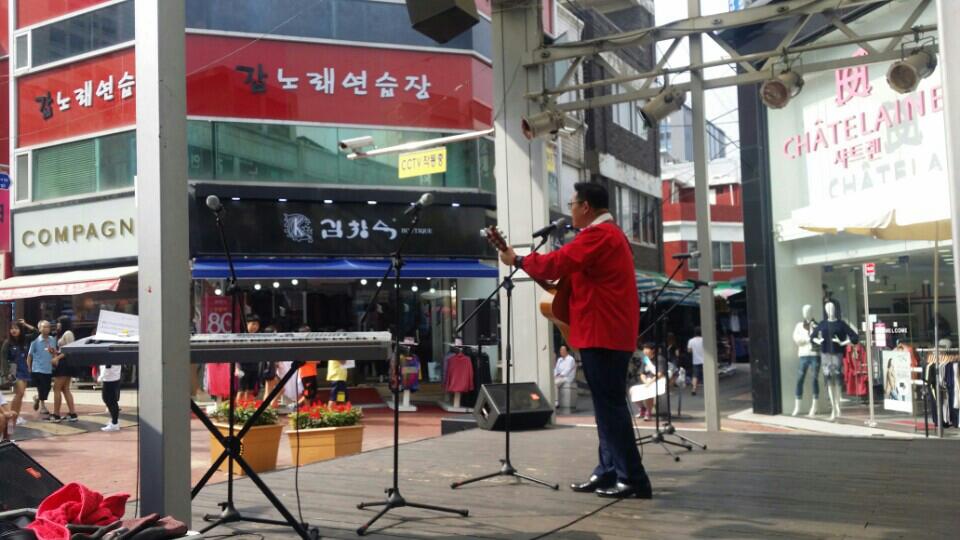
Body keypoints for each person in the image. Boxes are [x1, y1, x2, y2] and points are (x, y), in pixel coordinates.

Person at [498, 182, 651, 499]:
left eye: (572, 204)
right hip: (606, 331)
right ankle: (609, 471)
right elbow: (566, 270)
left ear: (586, 207)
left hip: (603, 332)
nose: (570, 211)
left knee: (610, 409)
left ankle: (633, 478)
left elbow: (558, 262)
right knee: (606, 408)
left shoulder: (599, 235)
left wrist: (519, 260)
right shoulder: (609, 235)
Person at [2, 320, 38, 426]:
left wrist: (25, 324)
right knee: (20, 393)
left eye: (16, 328)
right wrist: (7, 373)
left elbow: (36, 333)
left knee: (20, 395)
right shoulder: (7, 343)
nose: (13, 330)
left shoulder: (25, 339)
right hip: (14, 371)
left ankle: (16, 416)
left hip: (24, 369)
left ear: (20, 330)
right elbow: (3, 359)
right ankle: (11, 416)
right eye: (12, 328)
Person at [51, 316, 79, 423]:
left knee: (56, 388)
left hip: (65, 364)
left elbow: (69, 350)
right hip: (65, 363)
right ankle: (72, 413)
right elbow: (64, 350)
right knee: (64, 388)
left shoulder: (68, 333)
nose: (57, 324)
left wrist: (57, 358)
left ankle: (56, 414)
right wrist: (54, 352)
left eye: (59, 322)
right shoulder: (64, 334)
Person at [28, 321, 57, 418]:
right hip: (37, 368)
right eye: (44, 327)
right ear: (39, 329)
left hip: (48, 368)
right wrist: (29, 367)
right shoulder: (35, 341)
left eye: (48, 327)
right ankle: (43, 406)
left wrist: (55, 359)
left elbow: (54, 352)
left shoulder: (52, 340)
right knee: (41, 387)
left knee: (47, 388)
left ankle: (37, 398)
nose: (46, 329)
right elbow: (30, 355)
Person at [237, 315, 262, 401]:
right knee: (241, 390)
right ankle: (238, 408)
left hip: (254, 366)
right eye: (253, 324)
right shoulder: (241, 337)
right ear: (247, 324)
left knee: (250, 390)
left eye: (257, 324)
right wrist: (237, 368)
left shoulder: (259, 337)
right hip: (243, 367)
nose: (255, 327)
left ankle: (247, 407)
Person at [98, 362, 122, 432]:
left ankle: (115, 423)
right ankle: (114, 421)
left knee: (109, 400)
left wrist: (101, 376)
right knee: (111, 400)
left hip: (109, 377)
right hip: (113, 376)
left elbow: (108, 365)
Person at [687, 327, 704, 396]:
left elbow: (689, 350)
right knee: (705, 374)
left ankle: (694, 389)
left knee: (695, 375)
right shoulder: (704, 340)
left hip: (695, 360)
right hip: (704, 360)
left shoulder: (691, 341)